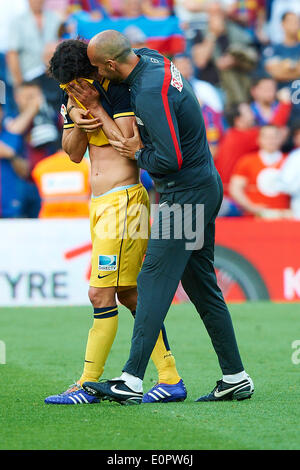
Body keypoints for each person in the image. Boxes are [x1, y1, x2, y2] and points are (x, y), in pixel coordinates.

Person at [80, 30, 254, 405]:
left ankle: (130, 380)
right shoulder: (150, 58)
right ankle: (235, 377)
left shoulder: (147, 94)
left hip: (185, 195)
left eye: (97, 69)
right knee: (202, 286)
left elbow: (168, 159)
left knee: (152, 279)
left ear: (111, 64)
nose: (96, 76)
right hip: (202, 184)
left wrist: (135, 153)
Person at [44, 39, 185, 405]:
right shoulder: (73, 96)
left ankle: (86, 385)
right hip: (101, 204)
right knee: (130, 294)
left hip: (124, 201)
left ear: (91, 71)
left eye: (74, 82)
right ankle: (170, 379)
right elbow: (74, 154)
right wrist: (75, 116)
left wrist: (94, 107)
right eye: (65, 86)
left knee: (100, 293)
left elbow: (128, 144)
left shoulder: (117, 91)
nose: (70, 88)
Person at [229, 124, 291, 218]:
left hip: (285, 218)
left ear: (281, 139)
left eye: (274, 137)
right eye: (266, 137)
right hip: (253, 218)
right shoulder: (247, 161)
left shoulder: (291, 161)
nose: (271, 140)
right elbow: (235, 189)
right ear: (259, 139)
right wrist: (251, 207)